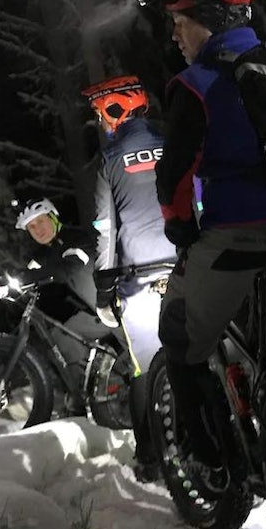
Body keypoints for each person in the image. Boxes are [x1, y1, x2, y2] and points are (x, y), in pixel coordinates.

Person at [154, 0, 266, 471]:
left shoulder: (195, 84)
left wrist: (181, 229)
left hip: (234, 239)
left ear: (208, 22)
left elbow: (175, 178)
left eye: (180, 23)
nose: (176, 36)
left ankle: (214, 465)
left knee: (180, 339)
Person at [82, 75, 175, 481]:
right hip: (187, 266)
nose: (100, 122)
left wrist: (104, 286)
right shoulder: (173, 140)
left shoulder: (110, 159)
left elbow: (105, 228)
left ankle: (151, 458)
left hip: (139, 279)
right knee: (201, 356)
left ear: (116, 109)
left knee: (145, 369)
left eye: (100, 114)